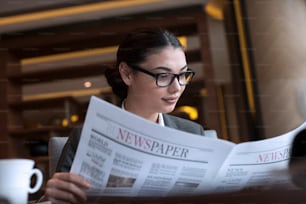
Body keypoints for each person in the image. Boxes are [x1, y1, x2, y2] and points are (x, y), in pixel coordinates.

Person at [43, 28, 217, 203]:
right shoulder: (87, 136)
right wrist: (51, 198)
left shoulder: (193, 134)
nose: (177, 87)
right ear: (127, 73)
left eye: (182, 75)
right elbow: (57, 198)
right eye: (163, 76)